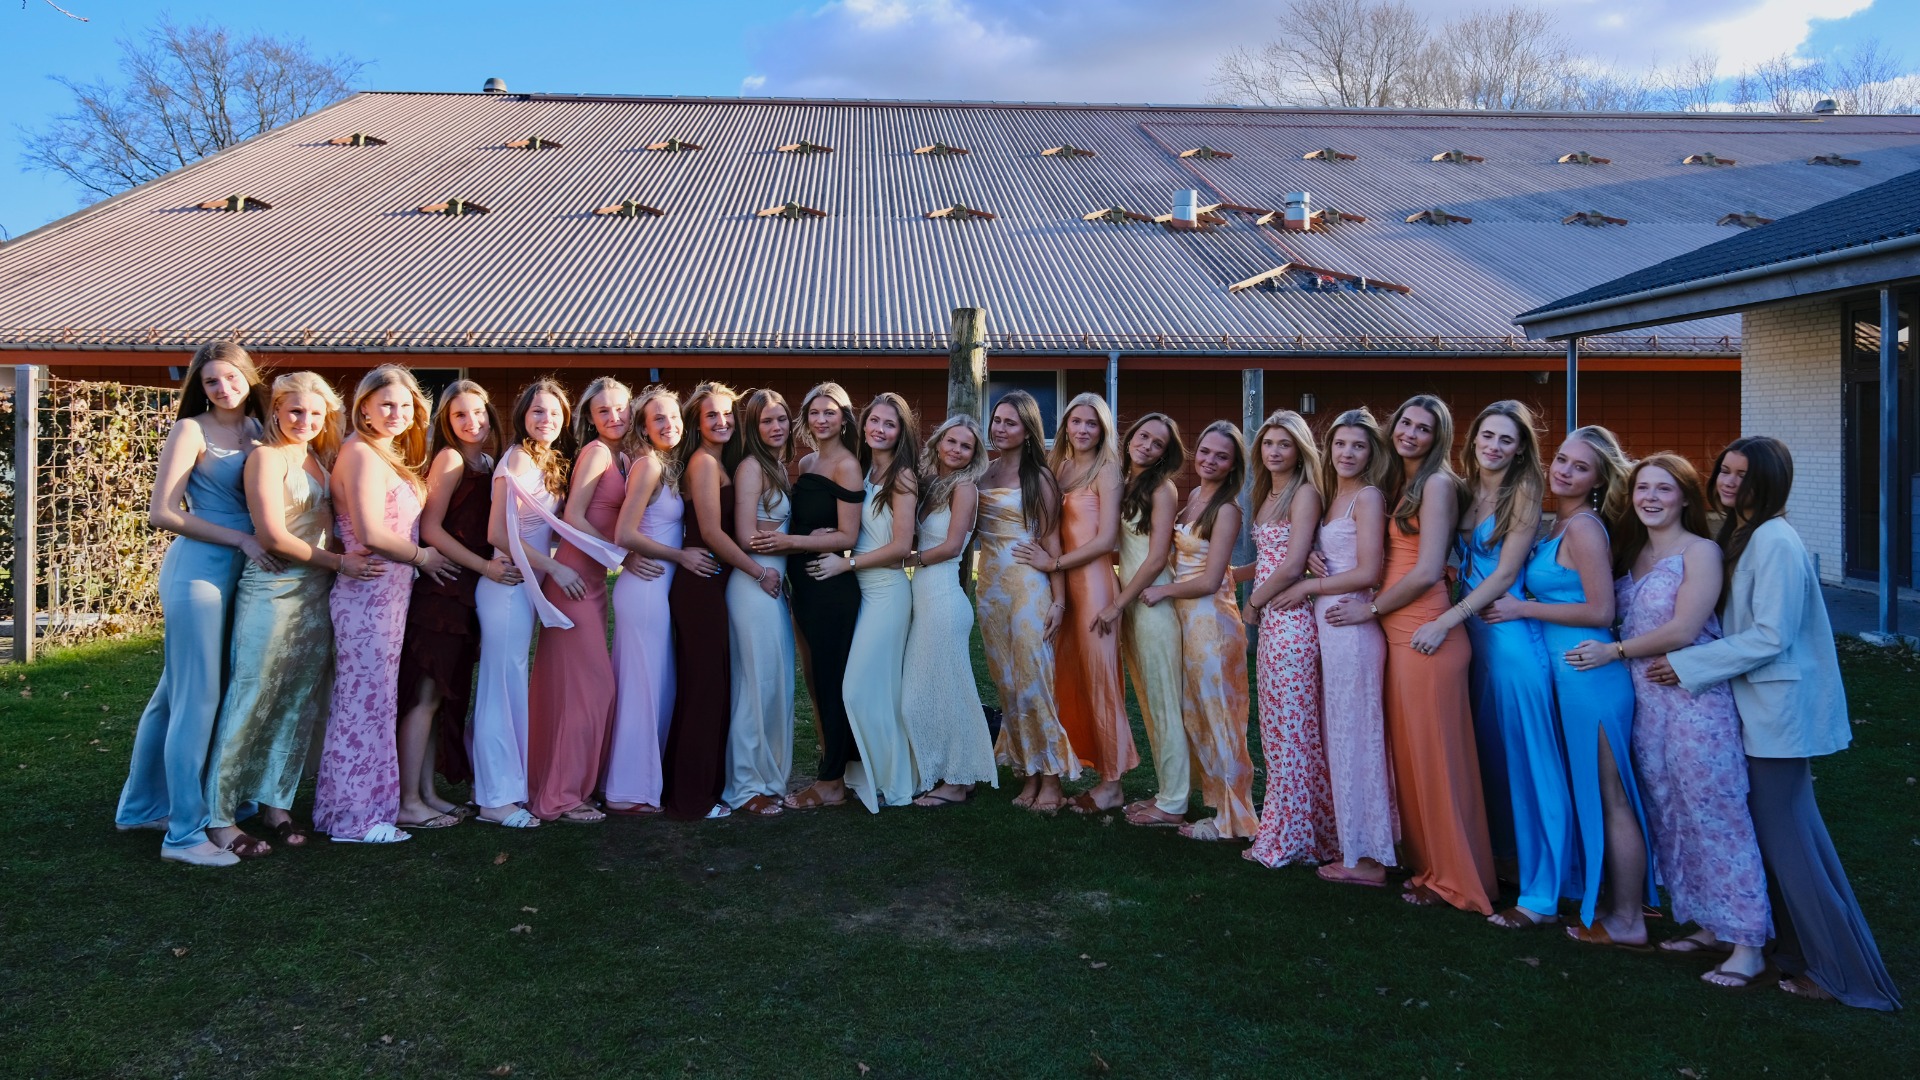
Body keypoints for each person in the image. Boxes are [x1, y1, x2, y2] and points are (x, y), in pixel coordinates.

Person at [1656, 437, 1901, 1011]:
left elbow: (1772, 635)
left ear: (1770, 482)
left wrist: (1688, 665)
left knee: (1792, 846)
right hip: (1755, 709)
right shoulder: (1742, 532)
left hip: (1779, 713)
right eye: (1725, 470)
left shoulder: (1776, 541)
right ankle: (1789, 950)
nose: (1729, 481)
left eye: (1743, 475)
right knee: (1782, 841)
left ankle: (1843, 973)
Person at [1566, 453, 1771, 988]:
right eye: (1642, 488)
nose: (1650, 498)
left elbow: (1684, 628)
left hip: (1695, 705)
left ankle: (1748, 945)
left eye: (1663, 489)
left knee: (1717, 817)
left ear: (1684, 498)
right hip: (1646, 707)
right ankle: (1710, 925)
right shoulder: (1630, 552)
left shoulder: (1701, 552)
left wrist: (1614, 651)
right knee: (1672, 817)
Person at [1326, 395, 1495, 913]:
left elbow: (1425, 570)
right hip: (1397, 635)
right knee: (1412, 761)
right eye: (1405, 424)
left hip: (1426, 633)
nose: (1411, 434)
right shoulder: (1398, 483)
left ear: (1438, 437)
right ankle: (1426, 866)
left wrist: (1370, 609)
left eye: (1424, 428)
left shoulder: (1438, 484)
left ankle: (1455, 879)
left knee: (1437, 762)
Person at [1489, 426, 1656, 943]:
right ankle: (1602, 899)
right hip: (1566, 675)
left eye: (1580, 467)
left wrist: (1523, 609)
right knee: (1588, 789)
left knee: (1611, 795)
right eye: (1561, 459)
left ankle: (1628, 920)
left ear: (1599, 480)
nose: (1563, 471)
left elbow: (1602, 610)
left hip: (1590, 673)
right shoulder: (1555, 524)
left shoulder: (1583, 528)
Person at [116, 342, 274, 866]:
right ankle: (184, 834)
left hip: (246, 573)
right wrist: (242, 539)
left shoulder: (261, 429)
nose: (223, 388)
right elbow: (163, 512)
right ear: (199, 387)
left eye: (231, 377)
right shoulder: (191, 430)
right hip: (199, 574)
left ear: (249, 377)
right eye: (211, 381)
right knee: (197, 699)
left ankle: (142, 807)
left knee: (175, 694)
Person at [203, 372, 371, 857]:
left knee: (297, 703)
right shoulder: (266, 457)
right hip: (272, 592)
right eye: (296, 410)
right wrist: (340, 562)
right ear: (276, 410)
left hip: (317, 594)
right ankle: (219, 817)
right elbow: (272, 535)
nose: (306, 420)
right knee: (251, 698)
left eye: (316, 413)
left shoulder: (320, 458)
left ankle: (276, 804)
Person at [1434, 402, 1571, 930]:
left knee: (1530, 764)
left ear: (1519, 450)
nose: (1494, 446)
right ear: (1473, 440)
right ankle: (1507, 866)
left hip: (1508, 639)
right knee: (1490, 760)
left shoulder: (1525, 492)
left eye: (1506, 440)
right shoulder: (1465, 489)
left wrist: (1449, 618)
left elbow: (1506, 573)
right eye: (1487, 435)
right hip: (1475, 638)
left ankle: (1542, 895)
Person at [315, 364, 451, 845]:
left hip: (390, 596)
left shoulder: (381, 453)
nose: (397, 413)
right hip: (367, 593)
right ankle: (354, 819)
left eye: (405, 405)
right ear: (365, 409)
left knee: (375, 703)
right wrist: (423, 557)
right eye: (386, 404)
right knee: (361, 706)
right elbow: (371, 532)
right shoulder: (360, 454)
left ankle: (364, 807)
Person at [1282, 409, 1396, 884]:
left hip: (1352, 628)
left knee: (1358, 741)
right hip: (1330, 631)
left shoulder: (1368, 497)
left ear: (1372, 453)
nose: (1347, 453)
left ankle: (1369, 860)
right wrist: (1314, 559)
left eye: (1359, 446)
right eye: (1341, 444)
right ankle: (1352, 845)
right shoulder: (1332, 498)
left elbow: (1369, 571)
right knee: (1341, 739)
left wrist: (1310, 586)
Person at [469, 380, 588, 829]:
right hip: (508, 587)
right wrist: (555, 567)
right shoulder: (517, 458)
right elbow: (498, 534)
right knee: (500, 688)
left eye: (555, 412)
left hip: (527, 587)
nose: (547, 420)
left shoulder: (546, 460)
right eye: (538, 411)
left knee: (511, 684)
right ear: (522, 415)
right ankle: (494, 800)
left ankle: (503, 786)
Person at [396, 380, 512, 830]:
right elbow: (431, 529)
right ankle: (408, 801)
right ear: (446, 420)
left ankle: (428, 793)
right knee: (425, 694)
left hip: (467, 591)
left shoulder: (488, 462)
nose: (472, 422)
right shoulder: (450, 459)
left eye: (479, 412)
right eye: (460, 414)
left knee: (443, 696)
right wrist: (484, 567)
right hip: (443, 592)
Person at [1020, 393, 1137, 812]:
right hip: (1059, 586)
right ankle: (1061, 762)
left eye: (1092, 423)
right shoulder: (1058, 466)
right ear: (1065, 425)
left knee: (1100, 679)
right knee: (1064, 677)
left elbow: (1106, 540)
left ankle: (1112, 783)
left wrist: (1054, 562)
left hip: (1093, 585)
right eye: (1076, 421)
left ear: (1103, 430)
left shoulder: (1108, 470)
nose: (1083, 429)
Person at [1141, 420, 1257, 842]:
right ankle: (1219, 805)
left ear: (1233, 465)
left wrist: (1163, 590)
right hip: (1188, 622)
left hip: (1211, 625)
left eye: (1221, 456)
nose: (1209, 460)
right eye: (1205, 451)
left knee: (1221, 717)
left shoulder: (1227, 509)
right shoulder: (1193, 497)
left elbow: (1209, 581)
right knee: (1199, 717)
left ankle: (1234, 820)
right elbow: (1223, 570)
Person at [753, 382, 864, 811]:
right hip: (804, 587)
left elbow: (848, 536)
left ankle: (832, 783)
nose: (821, 419)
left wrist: (792, 543)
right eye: (814, 412)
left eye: (829, 412)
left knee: (832, 681)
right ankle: (833, 765)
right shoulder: (807, 461)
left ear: (844, 419)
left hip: (830, 586)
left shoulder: (847, 465)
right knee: (816, 681)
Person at [526, 377, 632, 824]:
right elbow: (572, 516)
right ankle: (562, 797)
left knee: (573, 690)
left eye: (620, 408)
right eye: (603, 410)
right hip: (572, 582)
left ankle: (565, 783)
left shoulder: (625, 456)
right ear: (590, 418)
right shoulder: (597, 453)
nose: (614, 417)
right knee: (592, 690)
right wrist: (618, 555)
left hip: (592, 584)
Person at [808, 393, 920, 812]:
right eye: (875, 421)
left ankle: (894, 779)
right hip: (859, 593)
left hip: (887, 593)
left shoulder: (902, 477)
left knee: (858, 690)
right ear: (863, 423)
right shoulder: (863, 468)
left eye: (890, 424)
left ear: (901, 431)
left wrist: (847, 562)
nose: (880, 429)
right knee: (876, 689)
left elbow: (902, 547)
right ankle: (871, 773)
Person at [1239, 409, 1337, 868]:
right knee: (1277, 731)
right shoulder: (1267, 494)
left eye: (1284, 444)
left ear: (1300, 451)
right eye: (1268, 443)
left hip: (1293, 622)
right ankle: (1290, 828)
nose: (1275, 451)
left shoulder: (1305, 494)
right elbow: (1268, 559)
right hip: (1273, 622)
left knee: (1294, 731)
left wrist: (1253, 602)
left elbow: (1294, 563)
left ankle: (1294, 838)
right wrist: (1225, 575)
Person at [663, 382, 764, 821]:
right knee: (704, 689)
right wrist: (758, 571)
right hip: (700, 586)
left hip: (714, 584)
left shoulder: (722, 462)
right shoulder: (703, 463)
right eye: (711, 415)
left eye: (727, 414)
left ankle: (701, 784)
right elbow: (711, 533)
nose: (722, 421)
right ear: (697, 422)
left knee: (710, 686)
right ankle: (692, 797)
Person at [977, 391, 1075, 811]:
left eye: (1010, 422)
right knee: (1009, 686)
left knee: (1034, 682)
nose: (1000, 428)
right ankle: (1028, 772)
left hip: (1029, 587)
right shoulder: (982, 472)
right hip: (990, 589)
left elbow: (1052, 541)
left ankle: (1051, 780)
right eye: (997, 420)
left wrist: (1059, 602)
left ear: (1028, 430)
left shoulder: (1040, 478)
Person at [1098, 414, 1192, 830]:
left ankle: (1174, 803)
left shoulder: (1162, 489)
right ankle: (1168, 791)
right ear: (1130, 437)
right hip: (1133, 603)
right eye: (1143, 436)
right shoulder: (1124, 482)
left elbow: (1155, 559)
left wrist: (1117, 604)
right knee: (1151, 703)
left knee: (1165, 703)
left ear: (1165, 454)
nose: (1147, 446)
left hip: (1152, 605)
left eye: (1158, 444)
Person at [901, 414, 998, 807]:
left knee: (948, 694)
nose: (957, 450)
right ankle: (955, 773)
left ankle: (957, 783)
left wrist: (906, 559)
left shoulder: (964, 489)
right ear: (938, 442)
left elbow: (953, 546)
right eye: (952, 441)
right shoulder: (930, 487)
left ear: (974, 455)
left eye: (966, 446)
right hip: (924, 597)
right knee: (928, 695)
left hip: (943, 597)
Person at [605, 386, 683, 815]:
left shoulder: (665, 465)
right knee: (643, 690)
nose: (669, 424)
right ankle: (626, 792)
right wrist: (679, 556)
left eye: (674, 416)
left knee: (655, 686)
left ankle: (642, 780)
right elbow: (624, 533)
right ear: (643, 427)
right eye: (659, 419)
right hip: (646, 589)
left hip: (658, 590)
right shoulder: (649, 465)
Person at [723, 388, 798, 816]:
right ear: (752, 427)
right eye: (767, 421)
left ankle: (769, 779)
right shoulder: (751, 467)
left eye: (781, 418)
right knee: (755, 687)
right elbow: (745, 534)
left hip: (773, 584)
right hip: (754, 584)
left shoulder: (778, 467)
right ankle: (745, 785)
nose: (776, 427)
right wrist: (794, 539)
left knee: (774, 685)